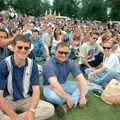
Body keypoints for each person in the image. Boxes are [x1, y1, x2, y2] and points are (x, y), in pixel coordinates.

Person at [0, 34, 54, 120]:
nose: (23, 50)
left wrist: (31, 111)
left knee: (49, 109)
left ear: (29, 50)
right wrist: (14, 117)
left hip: (26, 100)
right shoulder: (4, 64)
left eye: (26, 48)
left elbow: (36, 91)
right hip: (8, 100)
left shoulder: (33, 65)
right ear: (13, 48)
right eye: (19, 47)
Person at [43, 42, 87, 115]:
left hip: (64, 84)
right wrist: (67, 97)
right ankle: (74, 99)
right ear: (55, 52)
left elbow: (81, 79)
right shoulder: (48, 64)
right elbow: (54, 85)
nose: (63, 55)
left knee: (85, 85)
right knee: (52, 96)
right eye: (60, 52)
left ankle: (67, 105)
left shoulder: (71, 63)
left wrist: (82, 97)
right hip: (50, 87)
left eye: (66, 53)